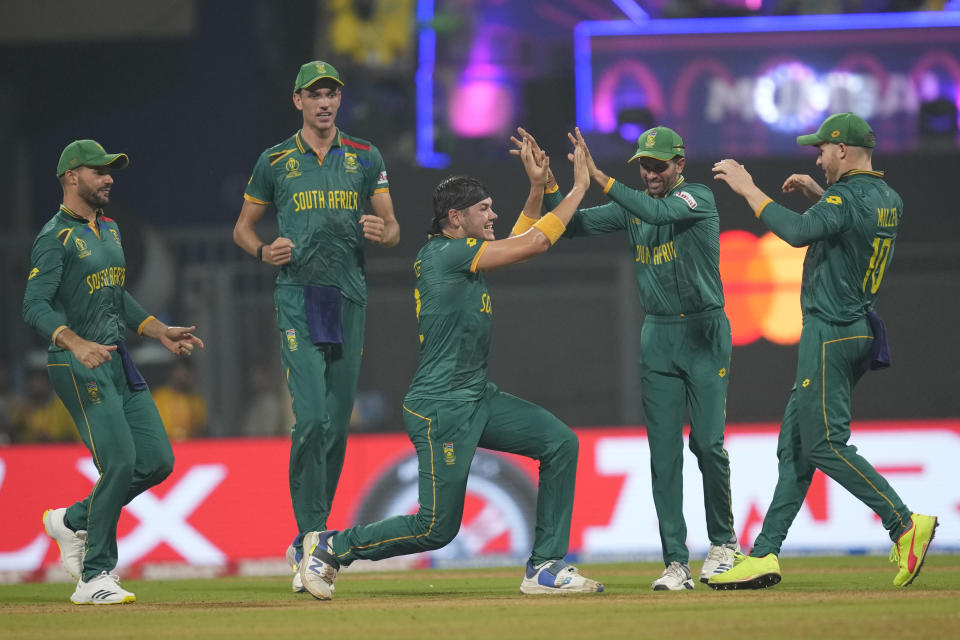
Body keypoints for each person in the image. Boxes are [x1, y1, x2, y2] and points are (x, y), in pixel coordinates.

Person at [296, 134, 604, 600]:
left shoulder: (461, 256)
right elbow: (536, 243)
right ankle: (331, 547)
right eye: (484, 209)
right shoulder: (446, 255)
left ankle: (544, 566)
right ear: (456, 219)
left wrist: (538, 190)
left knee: (559, 443)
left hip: (476, 396)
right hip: (440, 406)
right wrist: (579, 188)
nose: (492, 215)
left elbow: (521, 238)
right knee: (436, 528)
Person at [709, 112, 938, 589]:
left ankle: (903, 523)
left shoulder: (844, 197)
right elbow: (852, 224)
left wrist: (748, 188)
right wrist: (819, 196)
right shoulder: (887, 197)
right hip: (857, 328)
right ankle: (766, 553)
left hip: (830, 330)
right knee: (795, 447)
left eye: (822, 149)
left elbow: (795, 234)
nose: (817, 157)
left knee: (825, 443)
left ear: (841, 151)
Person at [513, 126, 738, 590]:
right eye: (644, 164)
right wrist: (554, 184)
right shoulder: (633, 208)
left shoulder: (698, 199)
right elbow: (571, 226)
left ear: (680, 163)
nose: (650, 172)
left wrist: (599, 176)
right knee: (663, 455)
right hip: (658, 335)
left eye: (658, 164)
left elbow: (658, 209)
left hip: (703, 332)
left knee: (708, 445)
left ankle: (724, 545)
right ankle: (676, 562)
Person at [232, 60, 400, 592]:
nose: (325, 102)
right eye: (315, 94)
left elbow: (393, 228)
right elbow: (242, 228)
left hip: (348, 296)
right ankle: (311, 537)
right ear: (298, 101)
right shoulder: (275, 161)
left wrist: (383, 230)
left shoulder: (365, 156)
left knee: (335, 423)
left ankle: (312, 538)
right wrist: (263, 250)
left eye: (332, 93)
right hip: (297, 297)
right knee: (308, 420)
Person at [23, 139, 204, 604]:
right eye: (98, 171)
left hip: (116, 358)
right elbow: (34, 305)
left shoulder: (111, 230)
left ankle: (72, 520)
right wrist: (75, 342)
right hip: (77, 363)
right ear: (70, 177)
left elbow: (116, 297)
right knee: (120, 462)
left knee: (158, 461)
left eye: (110, 171)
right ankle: (94, 577)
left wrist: (158, 329)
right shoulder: (54, 237)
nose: (108, 178)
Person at [152, 360, 207, 440]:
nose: (183, 377)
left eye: (187, 373)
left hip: (190, 447)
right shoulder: (158, 397)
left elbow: (201, 430)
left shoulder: (196, 401)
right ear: (171, 373)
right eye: (180, 372)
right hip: (164, 445)